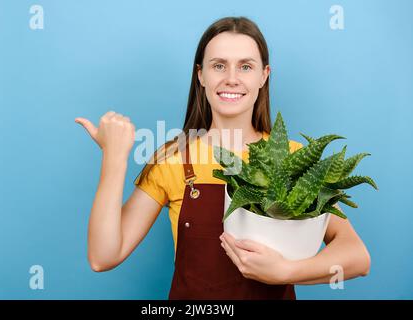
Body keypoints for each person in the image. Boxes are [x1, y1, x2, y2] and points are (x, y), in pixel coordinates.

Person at [75, 16, 371, 300]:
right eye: (219, 65)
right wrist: (114, 159)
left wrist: (285, 271)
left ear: (263, 76)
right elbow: (103, 256)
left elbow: (357, 257)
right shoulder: (175, 159)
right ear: (201, 75)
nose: (231, 79)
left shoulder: (293, 159)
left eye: (245, 66)